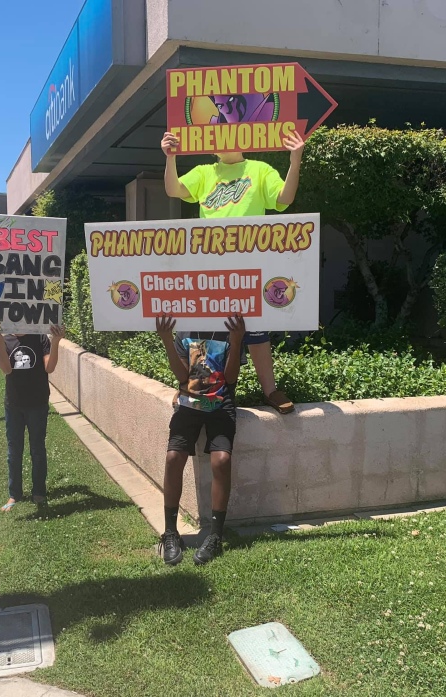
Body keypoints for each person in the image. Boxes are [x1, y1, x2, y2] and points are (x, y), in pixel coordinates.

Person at [161, 127, 306, 414]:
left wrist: (295, 161)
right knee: (204, 325)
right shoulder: (204, 172)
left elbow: (285, 198)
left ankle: (270, 390)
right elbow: (173, 189)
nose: (220, 139)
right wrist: (170, 157)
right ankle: (195, 385)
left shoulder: (260, 169)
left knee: (256, 328)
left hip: (250, 264)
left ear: (243, 136)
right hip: (208, 264)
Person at [156, 313, 246, 566]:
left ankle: (215, 535)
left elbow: (231, 378)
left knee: (222, 460)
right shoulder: (185, 331)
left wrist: (236, 340)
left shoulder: (230, 327)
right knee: (173, 457)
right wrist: (167, 340)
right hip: (190, 401)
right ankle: (171, 533)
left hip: (222, 402)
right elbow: (182, 378)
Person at [0, 322, 66, 512]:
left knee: (37, 448)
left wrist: (56, 341)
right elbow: (6, 370)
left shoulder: (40, 337)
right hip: (14, 405)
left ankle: (39, 491)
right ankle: (14, 494)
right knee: (14, 450)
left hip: (38, 403)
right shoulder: (4, 340)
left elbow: (49, 368)